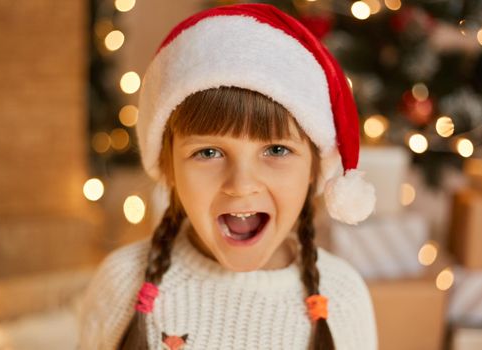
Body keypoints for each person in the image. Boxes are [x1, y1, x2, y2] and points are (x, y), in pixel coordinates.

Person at [78, 3, 377, 350]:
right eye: (208, 152)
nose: (242, 185)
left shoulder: (343, 296)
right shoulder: (121, 283)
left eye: (276, 150)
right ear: (169, 168)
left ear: (314, 169)